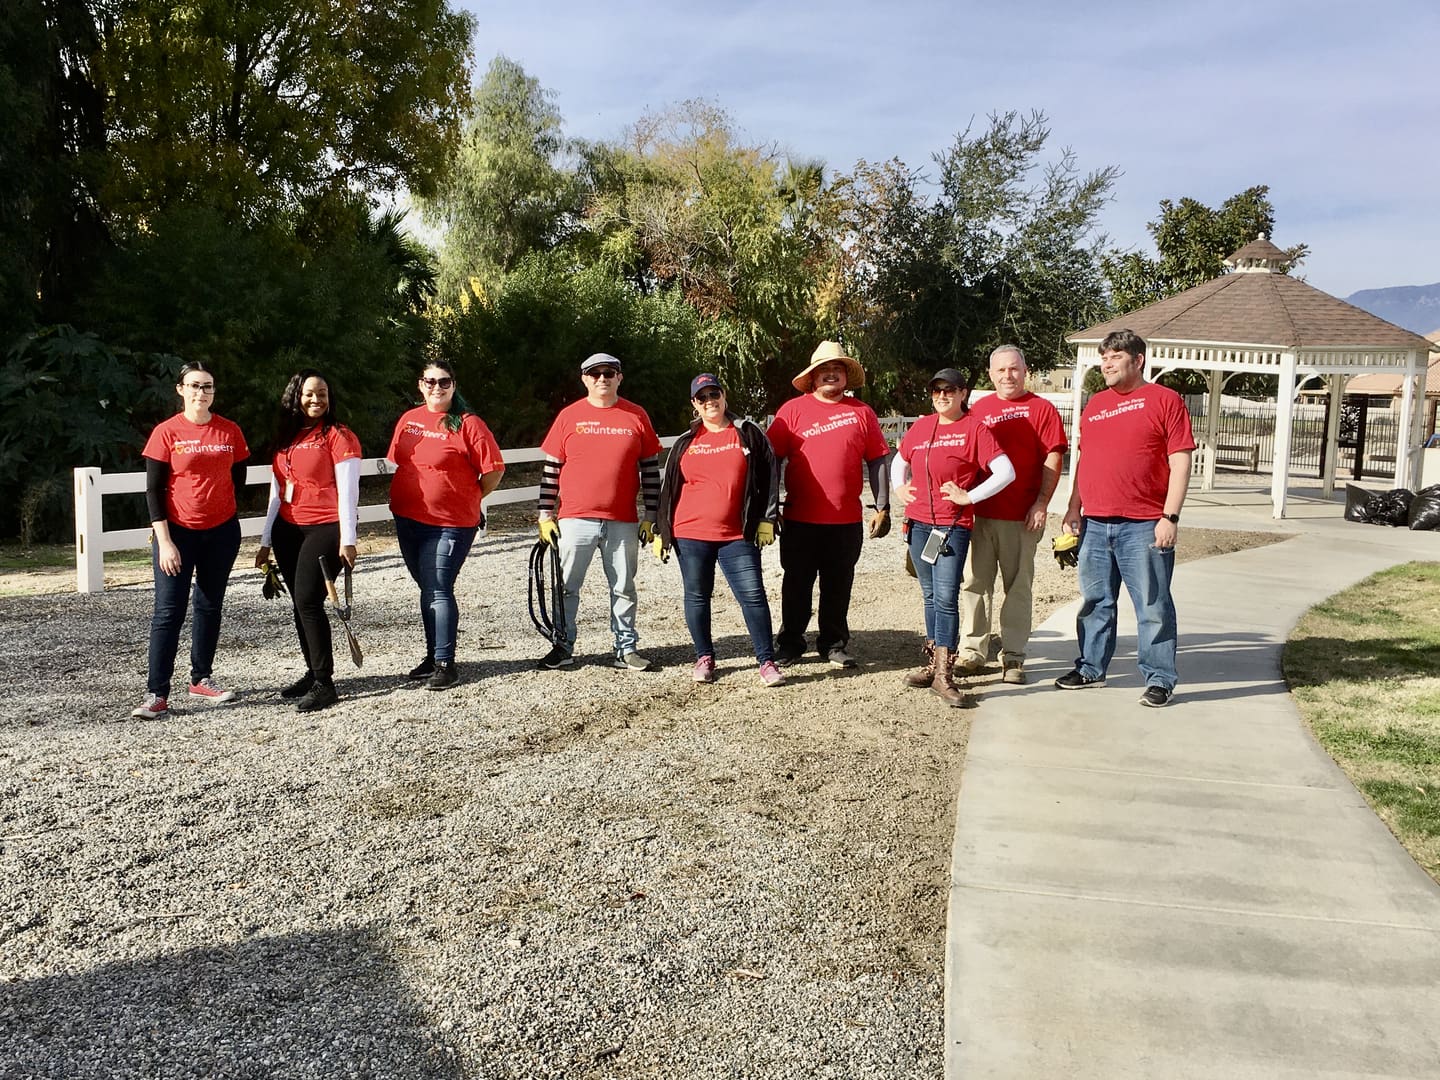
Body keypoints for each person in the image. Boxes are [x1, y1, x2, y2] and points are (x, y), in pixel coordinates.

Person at [1057, 329, 1195, 708]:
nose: (1106, 363)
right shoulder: (1095, 405)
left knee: (1152, 606)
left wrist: (1170, 516)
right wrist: (1073, 507)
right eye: (1104, 357)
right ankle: (1090, 667)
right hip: (1096, 523)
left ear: (1138, 360)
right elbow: (1087, 460)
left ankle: (1159, 678)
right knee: (1096, 602)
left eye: (1115, 357)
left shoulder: (1165, 401)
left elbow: (1180, 460)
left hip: (1145, 524)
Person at [132, 363, 249, 720]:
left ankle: (201, 678)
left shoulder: (229, 431)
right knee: (169, 612)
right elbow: (153, 491)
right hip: (177, 534)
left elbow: (238, 479)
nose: (202, 392)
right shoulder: (166, 432)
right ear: (181, 389)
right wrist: (165, 541)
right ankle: (157, 693)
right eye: (195, 386)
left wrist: (223, 514)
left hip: (221, 533)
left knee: (210, 605)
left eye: (208, 387)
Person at [892, 368, 1015, 707]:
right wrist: (899, 487)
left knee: (946, 597)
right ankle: (933, 664)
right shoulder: (920, 427)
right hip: (918, 525)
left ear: (963, 394)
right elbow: (899, 460)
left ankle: (946, 674)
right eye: (936, 391)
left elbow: (1006, 471)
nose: (942, 396)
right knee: (930, 595)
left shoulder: (974, 429)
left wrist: (969, 496)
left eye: (949, 390)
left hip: (951, 527)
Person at [766, 340, 892, 669]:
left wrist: (883, 506)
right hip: (799, 518)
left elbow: (878, 460)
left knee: (838, 584)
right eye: (824, 370)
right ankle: (791, 642)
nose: (831, 374)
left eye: (837, 369)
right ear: (812, 377)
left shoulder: (862, 413)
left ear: (846, 376)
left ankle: (833, 643)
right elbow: (771, 460)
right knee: (796, 583)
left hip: (845, 520)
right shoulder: (792, 411)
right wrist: (769, 508)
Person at [655, 373, 785, 686]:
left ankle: (766, 661)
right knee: (697, 596)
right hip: (690, 533)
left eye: (714, 395)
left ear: (724, 396)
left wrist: (768, 518)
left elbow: (769, 473)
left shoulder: (747, 433)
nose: (710, 402)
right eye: (702, 397)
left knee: (753, 595)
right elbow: (669, 487)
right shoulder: (686, 441)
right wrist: (663, 530)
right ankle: (704, 657)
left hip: (736, 535)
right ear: (694, 404)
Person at [535, 352, 662, 671]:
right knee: (566, 586)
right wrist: (544, 515)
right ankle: (563, 645)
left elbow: (649, 468)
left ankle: (625, 647)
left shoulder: (636, 415)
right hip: (575, 518)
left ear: (620, 377)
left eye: (609, 372)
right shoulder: (568, 416)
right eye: (595, 373)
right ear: (584, 379)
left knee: (623, 586)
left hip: (622, 521)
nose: (602, 378)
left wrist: (652, 514)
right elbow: (551, 470)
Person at [387, 359, 505, 691]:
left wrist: (470, 496)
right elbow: (402, 461)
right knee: (427, 586)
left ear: (454, 385)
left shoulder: (469, 424)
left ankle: (445, 663)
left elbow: (494, 470)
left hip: (450, 523)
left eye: (444, 382)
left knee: (438, 586)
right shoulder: (409, 421)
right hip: (408, 517)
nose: (436, 388)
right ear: (420, 385)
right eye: (430, 381)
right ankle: (432, 655)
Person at [956, 345, 1068, 684]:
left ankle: (1014, 656)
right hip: (981, 514)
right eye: (1001, 370)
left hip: (1021, 516)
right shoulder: (978, 409)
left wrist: (1041, 502)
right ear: (991, 374)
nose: (1008, 375)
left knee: (1017, 587)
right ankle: (972, 651)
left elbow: (1053, 457)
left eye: (1014, 369)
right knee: (974, 584)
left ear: (1026, 371)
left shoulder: (1042, 409)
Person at [255, 370, 362, 713]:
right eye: (309, 394)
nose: (316, 400)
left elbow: (349, 492)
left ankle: (324, 682)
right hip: (289, 527)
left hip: (325, 526)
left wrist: (348, 539)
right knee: (300, 605)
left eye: (322, 394)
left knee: (308, 600)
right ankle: (312, 670)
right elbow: (277, 489)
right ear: (295, 396)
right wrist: (266, 539)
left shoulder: (339, 436)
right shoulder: (287, 435)